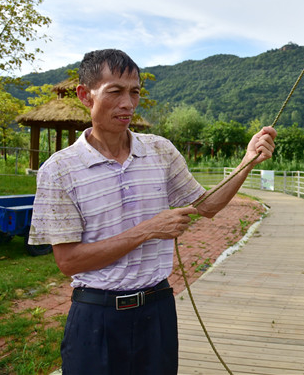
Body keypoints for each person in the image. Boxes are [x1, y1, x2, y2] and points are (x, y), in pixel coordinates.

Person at [28, 49, 277, 375]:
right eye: (115, 92)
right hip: (95, 316)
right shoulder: (59, 169)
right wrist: (148, 229)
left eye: (135, 92)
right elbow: (69, 261)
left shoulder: (160, 150)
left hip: (157, 310)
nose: (128, 104)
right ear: (85, 96)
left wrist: (247, 162)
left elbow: (208, 206)